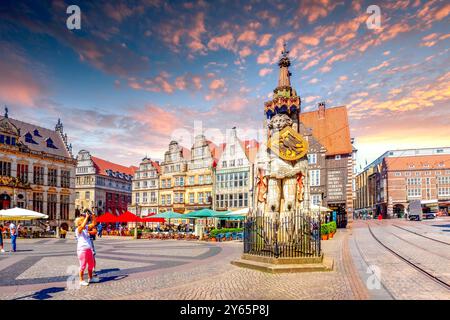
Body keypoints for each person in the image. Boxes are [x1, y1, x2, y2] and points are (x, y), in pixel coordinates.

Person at [74, 213, 99, 286]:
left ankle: (90, 278)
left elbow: (94, 223)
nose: (85, 221)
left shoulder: (86, 228)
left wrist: (94, 216)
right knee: (83, 265)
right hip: (82, 250)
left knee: (91, 265)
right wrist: (87, 217)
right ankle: (81, 280)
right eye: (83, 220)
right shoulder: (78, 229)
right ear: (79, 222)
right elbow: (82, 226)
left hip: (89, 249)